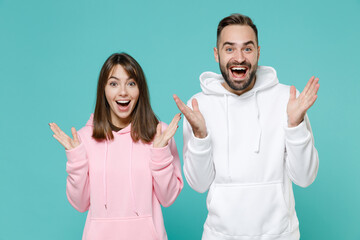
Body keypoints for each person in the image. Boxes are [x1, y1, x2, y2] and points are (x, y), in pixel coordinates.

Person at [174, 14, 319, 240]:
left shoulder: (288, 100)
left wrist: (295, 125)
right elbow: (199, 185)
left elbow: (305, 177)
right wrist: (200, 136)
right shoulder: (199, 106)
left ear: (258, 52)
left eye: (247, 49)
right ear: (216, 54)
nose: (239, 58)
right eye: (229, 49)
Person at [49, 53, 183, 240]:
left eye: (131, 83)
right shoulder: (84, 139)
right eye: (114, 84)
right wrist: (76, 160)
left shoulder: (160, 134)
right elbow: (80, 204)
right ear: (103, 90)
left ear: (140, 90)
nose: (123, 92)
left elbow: (168, 198)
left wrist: (160, 152)